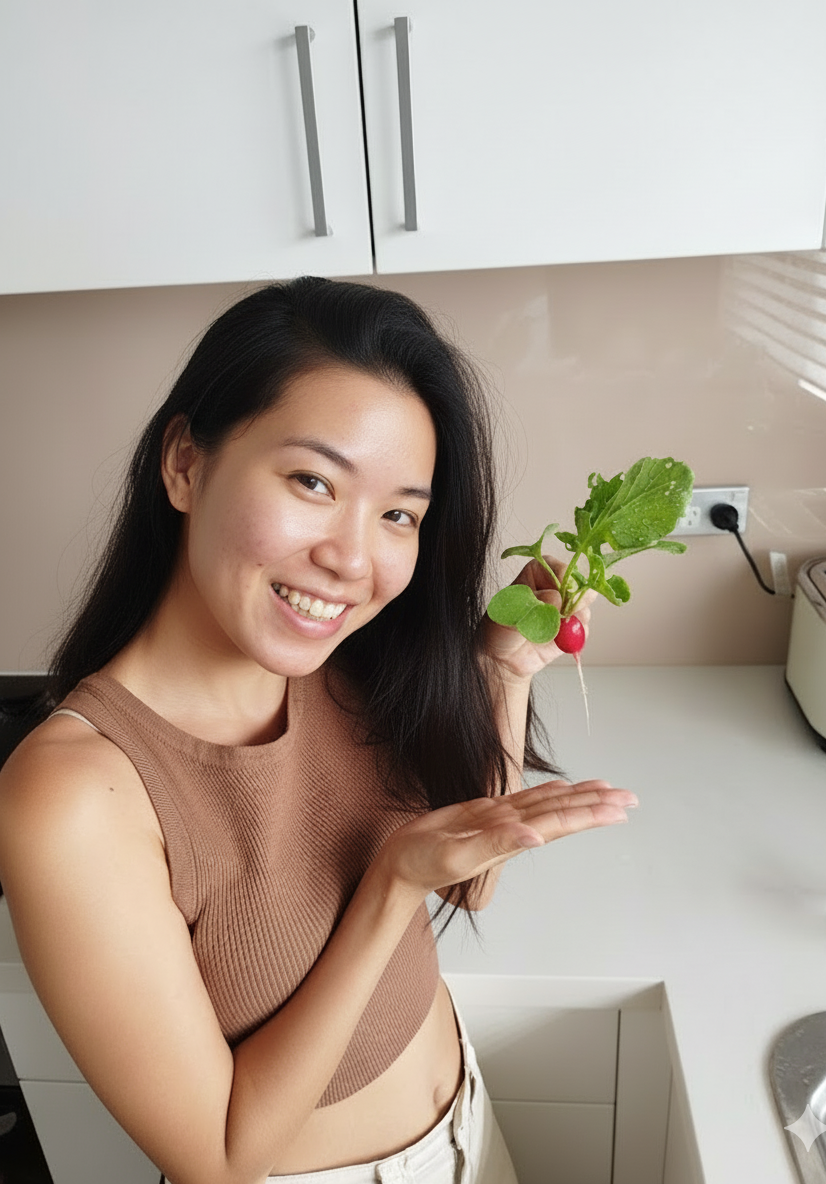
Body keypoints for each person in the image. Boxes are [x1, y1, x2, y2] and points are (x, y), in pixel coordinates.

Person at [0, 278, 636, 1184]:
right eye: (312, 482)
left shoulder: (344, 667)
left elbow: (472, 883)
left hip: (467, 1131)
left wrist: (502, 670)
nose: (351, 557)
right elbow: (216, 1155)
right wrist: (388, 888)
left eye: (398, 515)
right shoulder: (73, 794)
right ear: (185, 463)